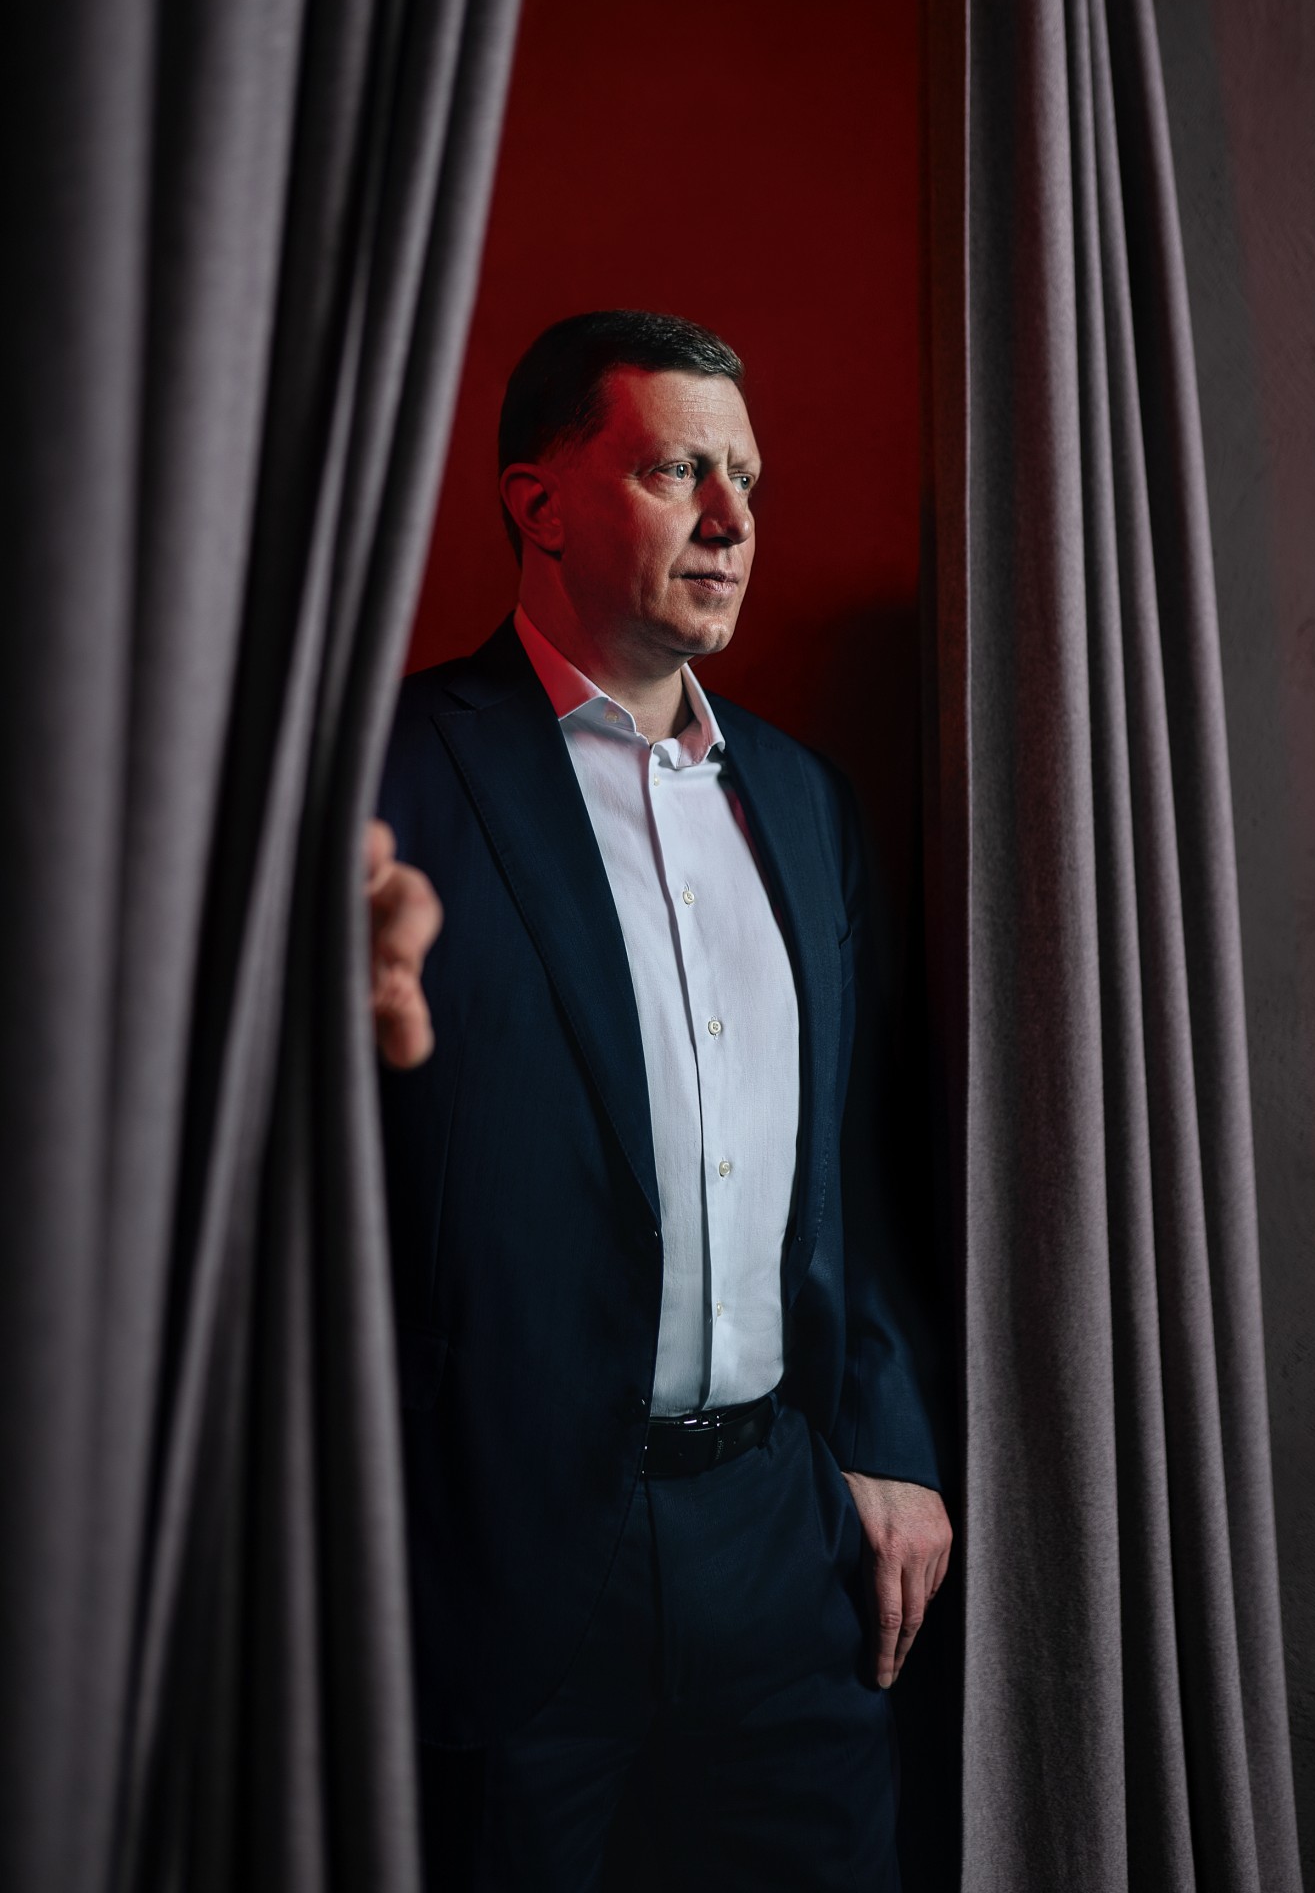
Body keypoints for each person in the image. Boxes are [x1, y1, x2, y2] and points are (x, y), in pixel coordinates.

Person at [370, 311, 951, 1890]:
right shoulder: (385, 778)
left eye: (746, 479)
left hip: (780, 1537)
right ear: (538, 502)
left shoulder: (803, 801)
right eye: (676, 470)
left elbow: (850, 1170)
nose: (730, 519)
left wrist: (889, 1448)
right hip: (496, 1555)